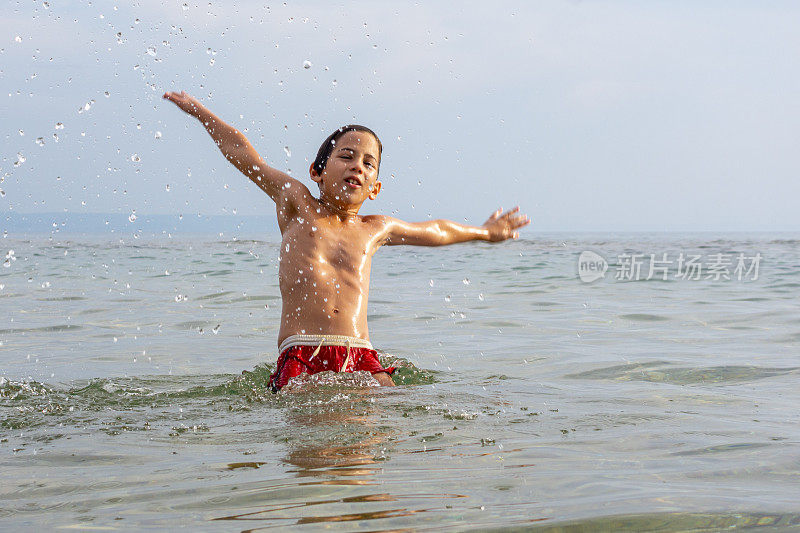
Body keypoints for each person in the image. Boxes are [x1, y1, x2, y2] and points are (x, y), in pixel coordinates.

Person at [163, 91, 530, 391]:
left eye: (369, 164)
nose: (358, 166)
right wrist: (199, 112)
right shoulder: (296, 203)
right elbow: (245, 155)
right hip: (301, 352)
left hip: (361, 355)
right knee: (310, 453)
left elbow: (435, 230)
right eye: (347, 156)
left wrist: (486, 233)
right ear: (317, 172)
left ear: (375, 189)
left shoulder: (375, 228)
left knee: (371, 448)